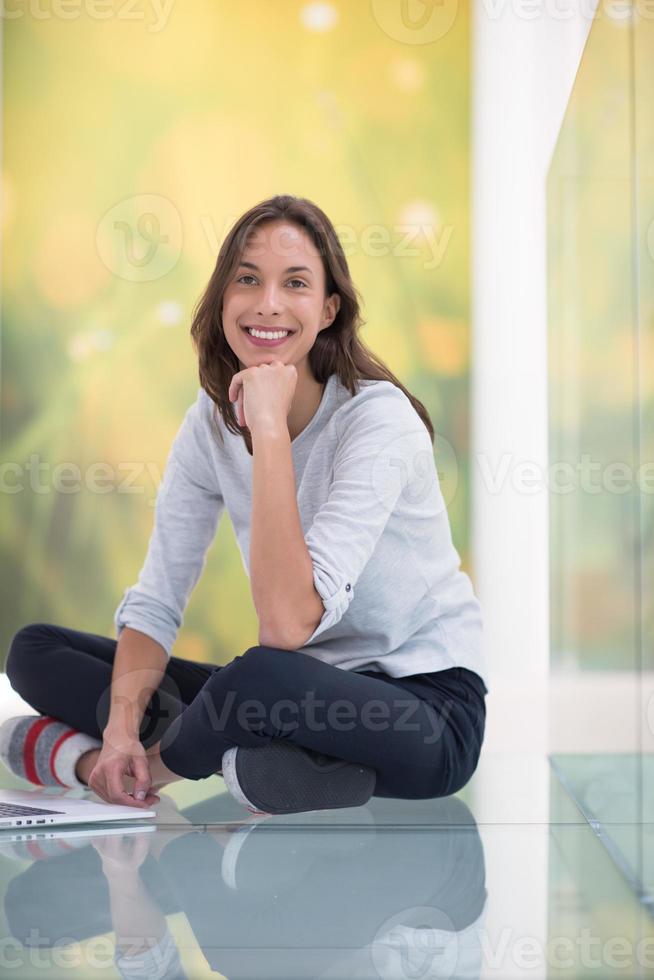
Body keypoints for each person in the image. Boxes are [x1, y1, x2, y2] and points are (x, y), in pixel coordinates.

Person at [1, 194, 489, 816]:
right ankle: (257, 762)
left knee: (259, 676)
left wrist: (270, 430)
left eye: (296, 284)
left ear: (329, 309)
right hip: (298, 694)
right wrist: (120, 731)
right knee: (36, 650)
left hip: (426, 711)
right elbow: (158, 599)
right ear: (223, 300)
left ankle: (130, 774)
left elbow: (286, 627)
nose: (268, 303)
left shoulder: (378, 421)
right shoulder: (207, 425)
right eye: (248, 280)